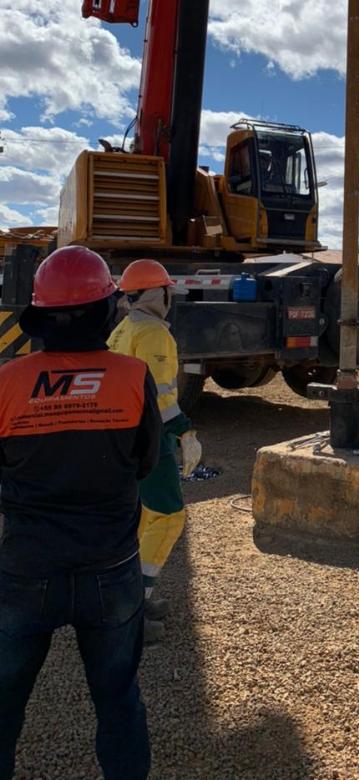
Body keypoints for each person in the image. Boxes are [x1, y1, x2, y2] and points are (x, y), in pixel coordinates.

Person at [0, 245, 160, 780]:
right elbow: (145, 463)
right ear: (107, 310)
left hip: (25, 570)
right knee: (118, 703)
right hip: (111, 570)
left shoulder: (7, 382)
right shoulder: (134, 376)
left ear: (41, 315)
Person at [108, 259, 202, 645]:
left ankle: (131, 598)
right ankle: (130, 610)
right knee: (167, 517)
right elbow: (159, 397)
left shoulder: (123, 328)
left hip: (122, 438)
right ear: (158, 293)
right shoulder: (153, 334)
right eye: (167, 292)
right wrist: (185, 433)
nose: (170, 299)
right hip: (147, 439)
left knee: (142, 518)